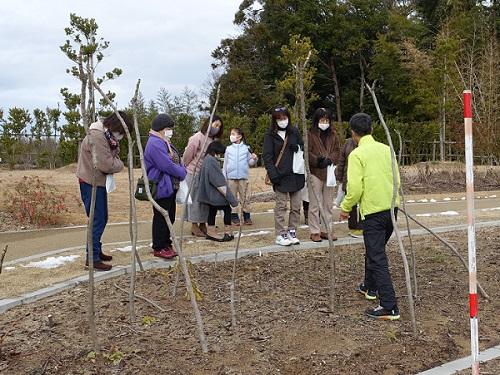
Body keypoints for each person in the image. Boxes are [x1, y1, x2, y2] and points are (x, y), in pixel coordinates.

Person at [339, 113, 400, 320]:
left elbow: (354, 188)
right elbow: (397, 180)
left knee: (377, 257)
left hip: (373, 213)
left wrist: (345, 207)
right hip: (392, 209)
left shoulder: (356, 154)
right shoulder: (386, 149)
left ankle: (389, 306)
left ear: (353, 133)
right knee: (375, 250)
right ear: (371, 130)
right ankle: (369, 287)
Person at [76, 111, 132, 271]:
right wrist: (120, 164)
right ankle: (92, 258)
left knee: (101, 217)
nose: (121, 136)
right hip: (90, 181)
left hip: (97, 181)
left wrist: (115, 161)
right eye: (121, 131)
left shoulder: (106, 136)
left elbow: (112, 158)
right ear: (116, 126)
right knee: (97, 219)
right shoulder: (99, 137)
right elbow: (107, 164)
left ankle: (96, 251)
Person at [144, 114, 187, 259]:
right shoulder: (155, 143)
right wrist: (182, 172)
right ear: (161, 128)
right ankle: (159, 246)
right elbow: (166, 165)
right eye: (168, 128)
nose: (170, 131)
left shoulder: (164, 141)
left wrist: (181, 168)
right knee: (161, 217)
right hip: (161, 185)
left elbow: (176, 158)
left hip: (169, 185)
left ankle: (166, 243)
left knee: (170, 216)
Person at [262, 106, 305, 246]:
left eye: (285, 118)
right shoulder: (270, 135)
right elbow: (267, 157)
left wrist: (297, 147)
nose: (282, 121)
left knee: (296, 206)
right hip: (280, 176)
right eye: (279, 119)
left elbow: (303, 148)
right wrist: (273, 174)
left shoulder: (294, 132)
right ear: (274, 120)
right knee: (281, 206)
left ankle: (292, 231)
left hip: (296, 174)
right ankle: (280, 234)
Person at [182, 115, 223, 237]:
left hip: (207, 174)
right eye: (215, 125)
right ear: (208, 124)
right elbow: (188, 155)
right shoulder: (197, 137)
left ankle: (203, 223)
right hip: (194, 173)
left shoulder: (214, 140)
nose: (217, 128)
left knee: (206, 200)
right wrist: (188, 168)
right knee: (194, 200)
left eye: (219, 126)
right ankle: (194, 225)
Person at [307, 108, 341, 242]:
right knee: (315, 203)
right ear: (317, 120)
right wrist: (317, 160)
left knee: (328, 204)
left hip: (330, 172)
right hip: (315, 172)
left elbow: (338, 151)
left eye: (327, 120)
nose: (325, 122)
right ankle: (314, 230)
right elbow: (307, 152)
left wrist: (330, 159)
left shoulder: (333, 134)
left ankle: (327, 229)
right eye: (322, 120)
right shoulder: (310, 134)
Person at [198, 141, 238, 241]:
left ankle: (210, 232)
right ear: (215, 151)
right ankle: (228, 233)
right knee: (227, 209)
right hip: (215, 194)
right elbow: (219, 183)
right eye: (219, 153)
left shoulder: (206, 160)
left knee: (212, 210)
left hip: (208, 194)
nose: (220, 155)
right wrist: (232, 200)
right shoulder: (212, 161)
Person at [223, 128, 258, 225]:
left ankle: (247, 216)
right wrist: (224, 176)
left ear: (240, 136)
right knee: (232, 198)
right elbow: (225, 164)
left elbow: (250, 162)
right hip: (231, 178)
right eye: (231, 134)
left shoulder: (246, 148)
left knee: (245, 197)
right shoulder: (228, 149)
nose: (231, 136)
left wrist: (254, 159)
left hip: (243, 177)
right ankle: (234, 217)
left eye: (233, 134)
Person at [336, 136, 363, 238]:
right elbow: (342, 160)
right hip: (349, 177)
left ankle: (362, 227)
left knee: (362, 204)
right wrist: (340, 176)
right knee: (351, 203)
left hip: (363, 177)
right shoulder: (348, 143)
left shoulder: (366, 144)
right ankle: (352, 227)